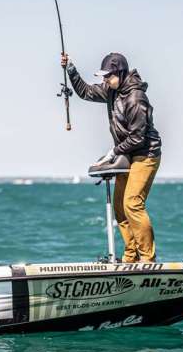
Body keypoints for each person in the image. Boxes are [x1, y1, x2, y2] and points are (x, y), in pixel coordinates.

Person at [61, 52, 162, 263]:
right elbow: (86, 92)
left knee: (132, 204)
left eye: (108, 76)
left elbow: (137, 138)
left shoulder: (136, 98)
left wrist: (113, 152)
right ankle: (131, 257)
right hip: (127, 153)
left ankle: (147, 259)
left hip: (145, 154)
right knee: (120, 208)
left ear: (121, 73)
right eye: (104, 76)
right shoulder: (111, 90)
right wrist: (71, 69)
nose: (105, 80)